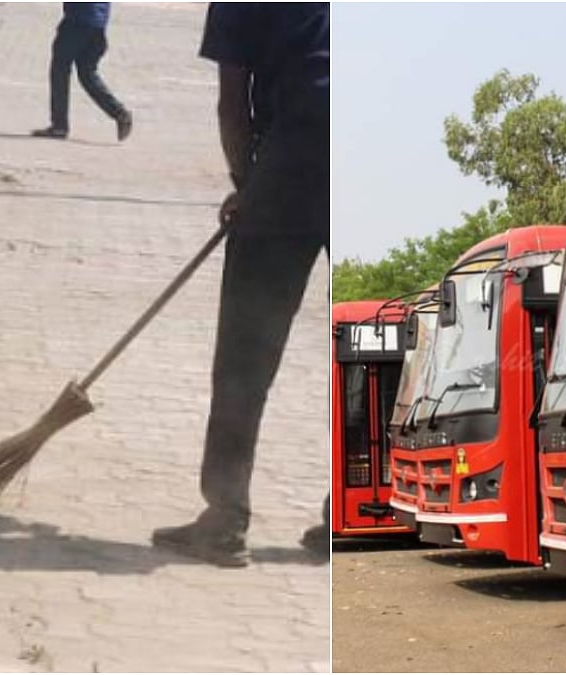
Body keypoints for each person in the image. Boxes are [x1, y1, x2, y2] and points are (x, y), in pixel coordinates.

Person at [151, 3, 330, 568]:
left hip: (294, 159)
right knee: (371, 350)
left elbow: (233, 105)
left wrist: (250, 185)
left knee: (244, 358)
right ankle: (358, 512)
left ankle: (226, 518)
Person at [32, 2, 133, 141]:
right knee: (87, 73)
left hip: (77, 21)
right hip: (98, 25)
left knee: (60, 70)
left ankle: (59, 125)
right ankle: (120, 113)